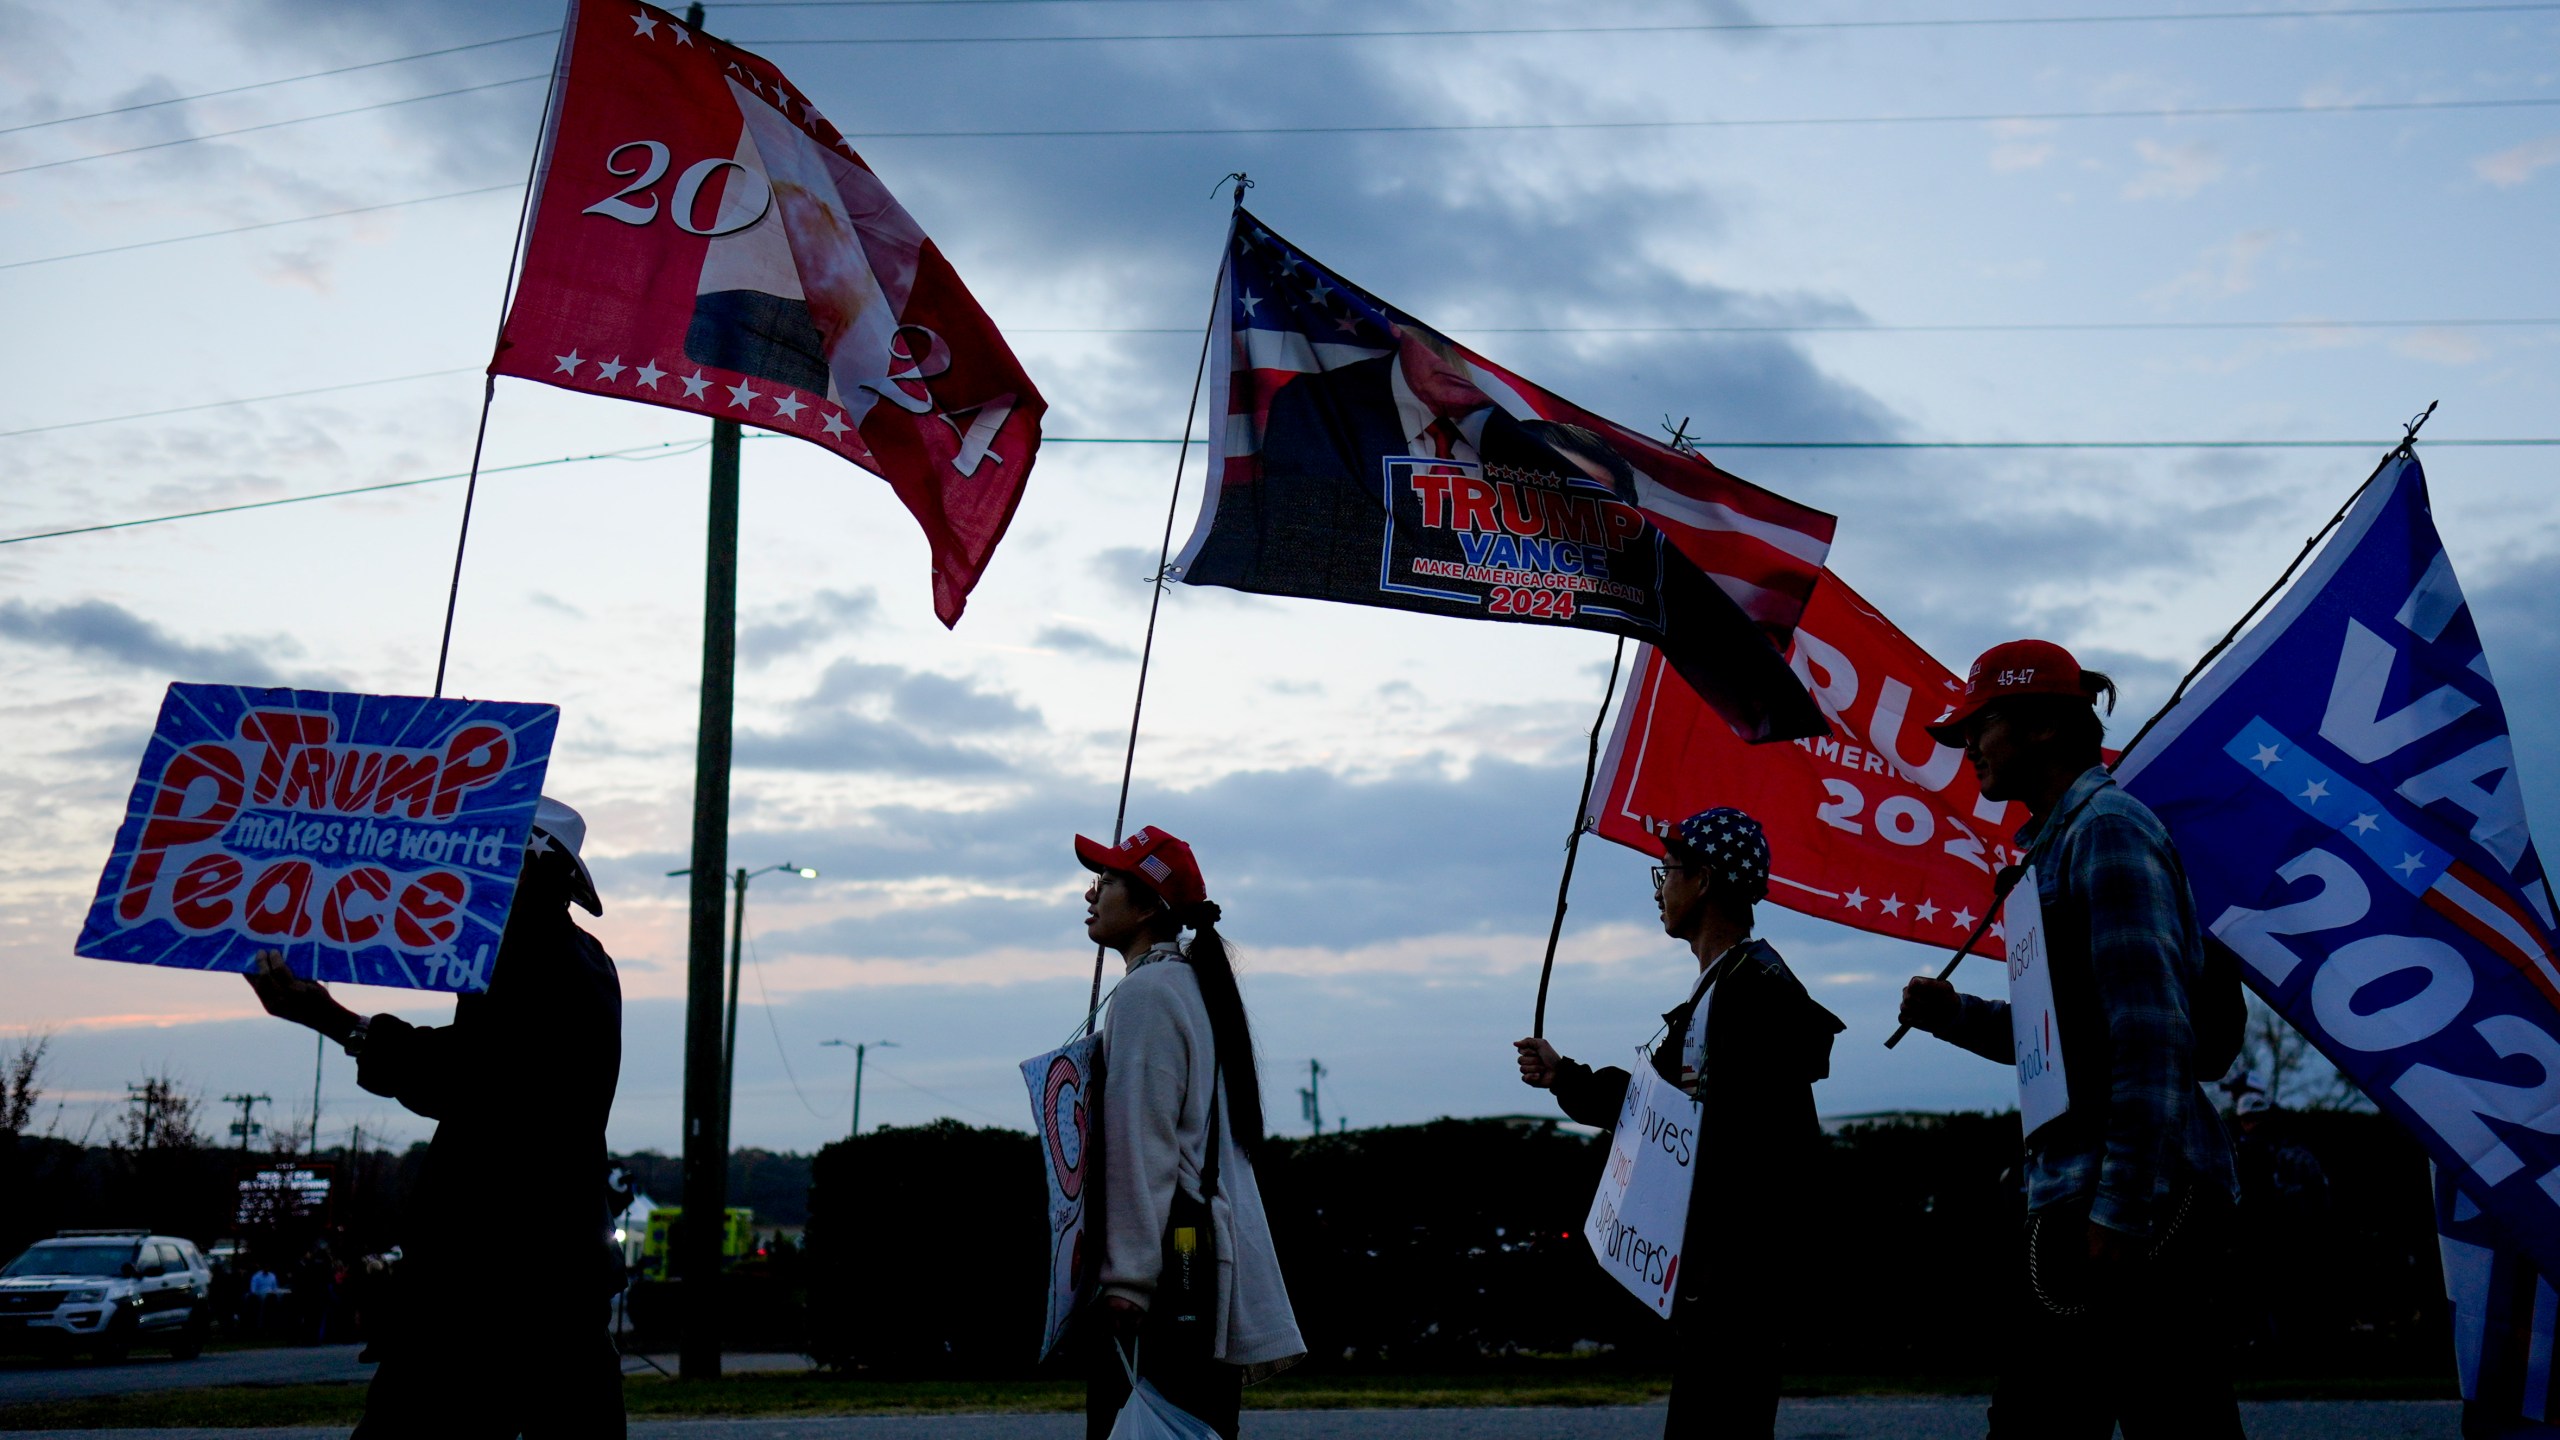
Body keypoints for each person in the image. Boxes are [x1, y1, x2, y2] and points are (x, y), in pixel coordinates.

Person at [1895, 639, 2243, 1438]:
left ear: (2046, 728)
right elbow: (2057, 1048)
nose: (1970, 747)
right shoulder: (2058, 845)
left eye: (1982, 726)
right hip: (2087, 1197)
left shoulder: (2108, 832)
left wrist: (2121, 1207)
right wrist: (1952, 1017)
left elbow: (2152, 1037)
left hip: (2126, 1204)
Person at [245, 796, 625, 1439]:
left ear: (528, 873)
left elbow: (467, 1078)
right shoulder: (566, 959)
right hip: (531, 1274)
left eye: (482, 863)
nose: (461, 882)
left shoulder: (537, 959)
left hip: (500, 1282)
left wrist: (335, 1020)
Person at [1513, 806, 1843, 1439]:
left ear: (1706, 879)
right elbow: (1655, 1103)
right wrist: (1566, 1076)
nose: (1660, 888)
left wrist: (1716, 1258)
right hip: (1721, 1282)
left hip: (1735, 1285)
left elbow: (1759, 1147)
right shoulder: (1726, 986)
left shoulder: (1752, 995)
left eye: (1667, 871)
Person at [1075, 825, 1304, 1440]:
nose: (1090, 894)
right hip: (1196, 1250)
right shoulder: (1189, 985)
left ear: (1149, 904)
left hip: (1167, 1260)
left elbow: (1141, 1147)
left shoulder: (1148, 993)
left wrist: (1126, 1280)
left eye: (1109, 881)